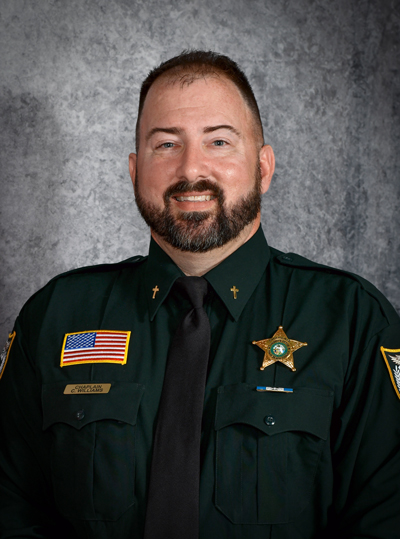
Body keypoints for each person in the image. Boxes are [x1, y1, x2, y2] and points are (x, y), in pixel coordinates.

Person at [0, 50, 399, 539]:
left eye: (219, 141)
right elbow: (11, 508)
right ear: (134, 171)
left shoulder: (354, 322)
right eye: (166, 144)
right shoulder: (55, 316)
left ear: (263, 167)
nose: (191, 169)